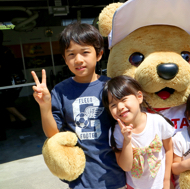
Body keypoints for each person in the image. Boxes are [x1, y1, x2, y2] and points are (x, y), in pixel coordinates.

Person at [31, 22, 126, 189]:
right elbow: (53, 134)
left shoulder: (111, 87)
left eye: (85, 52)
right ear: (64, 59)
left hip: (116, 175)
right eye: (71, 54)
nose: (78, 60)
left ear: (99, 54)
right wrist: (44, 105)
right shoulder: (60, 91)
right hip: (81, 180)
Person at [102, 75, 175, 189]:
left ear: (139, 97)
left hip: (161, 185)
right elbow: (126, 167)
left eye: (123, 99)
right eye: (113, 105)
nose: (120, 107)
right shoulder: (116, 131)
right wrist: (127, 140)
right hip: (133, 186)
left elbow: (169, 149)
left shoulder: (158, 122)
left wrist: (167, 180)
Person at [0, 30, 31, 130]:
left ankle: (24, 120)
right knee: (9, 101)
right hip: (16, 78)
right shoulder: (6, 49)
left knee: (4, 102)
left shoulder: (3, 51)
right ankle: (13, 122)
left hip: (10, 80)